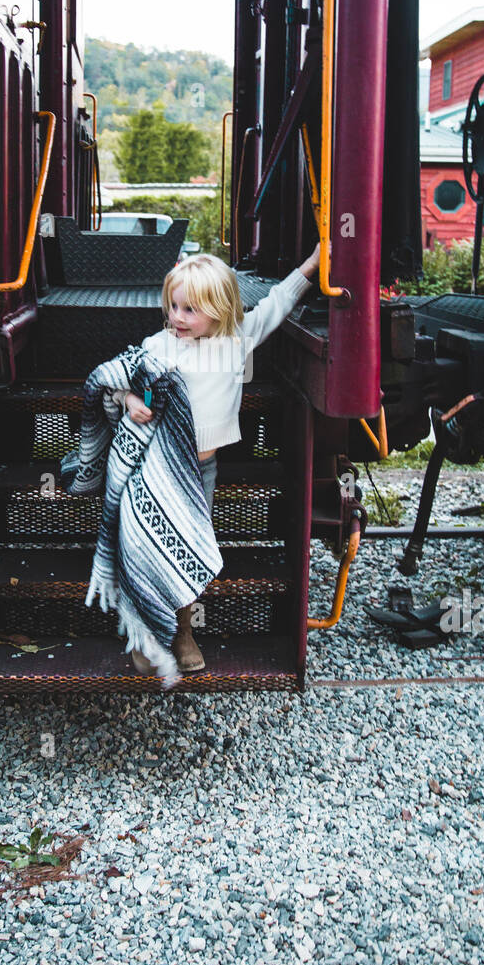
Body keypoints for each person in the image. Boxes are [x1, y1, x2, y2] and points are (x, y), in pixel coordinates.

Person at [110, 242, 322, 674]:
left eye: (190, 310)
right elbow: (116, 380)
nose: (177, 317)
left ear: (221, 309)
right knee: (147, 546)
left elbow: (278, 300)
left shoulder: (237, 339)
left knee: (188, 547)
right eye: (173, 306)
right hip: (157, 464)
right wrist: (130, 398)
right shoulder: (160, 345)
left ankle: (184, 630)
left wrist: (314, 264)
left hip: (200, 470)